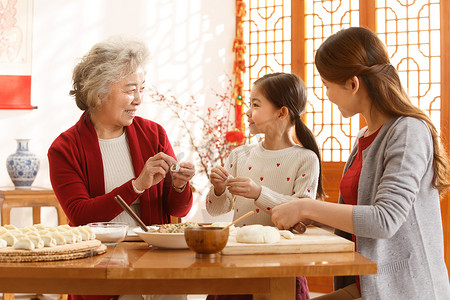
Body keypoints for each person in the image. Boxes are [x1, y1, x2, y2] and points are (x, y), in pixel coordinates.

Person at [272, 27, 450, 300]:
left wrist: (306, 206)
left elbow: (384, 221)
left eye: (327, 85)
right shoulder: (363, 139)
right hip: (369, 284)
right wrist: (310, 217)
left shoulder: (408, 131)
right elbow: (355, 222)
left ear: (353, 84)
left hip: (405, 288)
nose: (327, 94)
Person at [48, 36, 194, 300]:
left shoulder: (154, 134)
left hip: (155, 265)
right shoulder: (64, 148)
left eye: (142, 88)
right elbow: (80, 215)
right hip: (99, 265)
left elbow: (178, 209)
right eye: (129, 90)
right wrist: (137, 186)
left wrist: (181, 185)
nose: (138, 99)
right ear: (100, 92)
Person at [206, 72, 325, 300]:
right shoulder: (240, 155)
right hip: (237, 263)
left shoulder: (306, 158)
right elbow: (216, 210)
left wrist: (259, 193)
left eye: (255, 104)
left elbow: (302, 211)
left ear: (281, 112)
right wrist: (219, 189)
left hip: (283, 264)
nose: (248, 111)